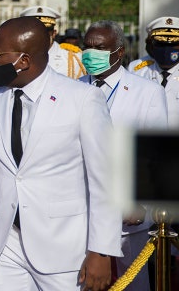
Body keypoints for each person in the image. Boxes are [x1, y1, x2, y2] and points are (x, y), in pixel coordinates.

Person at [0, 16, 122, 290]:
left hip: (63, 249)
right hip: (3, 244)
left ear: (23, 61)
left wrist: (101, 250)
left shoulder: (82, 99)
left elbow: (104, 181)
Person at [80, 20, 168, 291]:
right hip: (83, 206)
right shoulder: (75, 87)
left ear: (119, 52)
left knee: (133, 283)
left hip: (127, 211)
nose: (91, 53)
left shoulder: (147, 92)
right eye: (88, 47)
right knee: (83, 280)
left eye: (100, 47)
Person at [128, 16, 179, 128]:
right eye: (160, 44)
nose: (166, 49)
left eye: (173, 44)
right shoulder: (137, 69)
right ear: (150, 46)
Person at [20, 6, 86, 79]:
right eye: (33, 32)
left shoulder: (73, 59)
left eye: (44, 32)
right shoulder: (17, 58)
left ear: (53, 33)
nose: (38, 36)